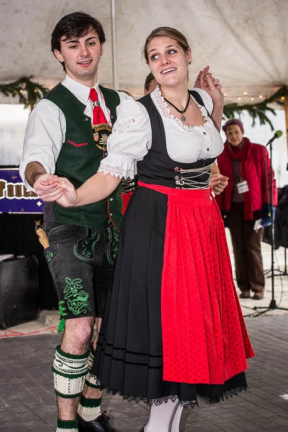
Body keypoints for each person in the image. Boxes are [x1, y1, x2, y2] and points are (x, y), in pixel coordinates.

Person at [43, 27, 255, 432]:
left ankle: (165, 428)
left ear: (188, 54)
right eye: (154, 56)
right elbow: (111, 173)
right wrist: (72, 196)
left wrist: (218, 104)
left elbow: (203, 147)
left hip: (201, 226)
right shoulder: (139, 112)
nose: (164, 61)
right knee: (170, 332)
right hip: (161, 226)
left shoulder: (205, 101)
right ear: (149, 66)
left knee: (192, 331)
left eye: (171, 51)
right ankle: (158, 427)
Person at [19, 11, 135, 432]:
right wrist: (41, 178)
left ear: (101, 46)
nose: (82, 52)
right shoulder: (50, 108)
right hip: (68, 226)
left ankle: (91, 416)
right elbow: (33, 159)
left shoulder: (124, 104)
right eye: (72, 45)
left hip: (117, 230)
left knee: (106, 328)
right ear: (59, 54)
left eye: (89, 42)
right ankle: (66, 427)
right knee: (81, 325)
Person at [216, 119, 277, 300]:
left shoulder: (259, 151)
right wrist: (219, 210)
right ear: (226, 136)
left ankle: (258, 286)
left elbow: (268, 179)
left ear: (242, 132)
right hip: (233, 208)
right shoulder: (222, 155)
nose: (233, 136)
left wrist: (269, 206)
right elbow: (219, 182)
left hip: (255, 208)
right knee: (238, 248)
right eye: (229, 133)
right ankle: (243, 287)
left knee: (252, 247)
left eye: (236, 132)